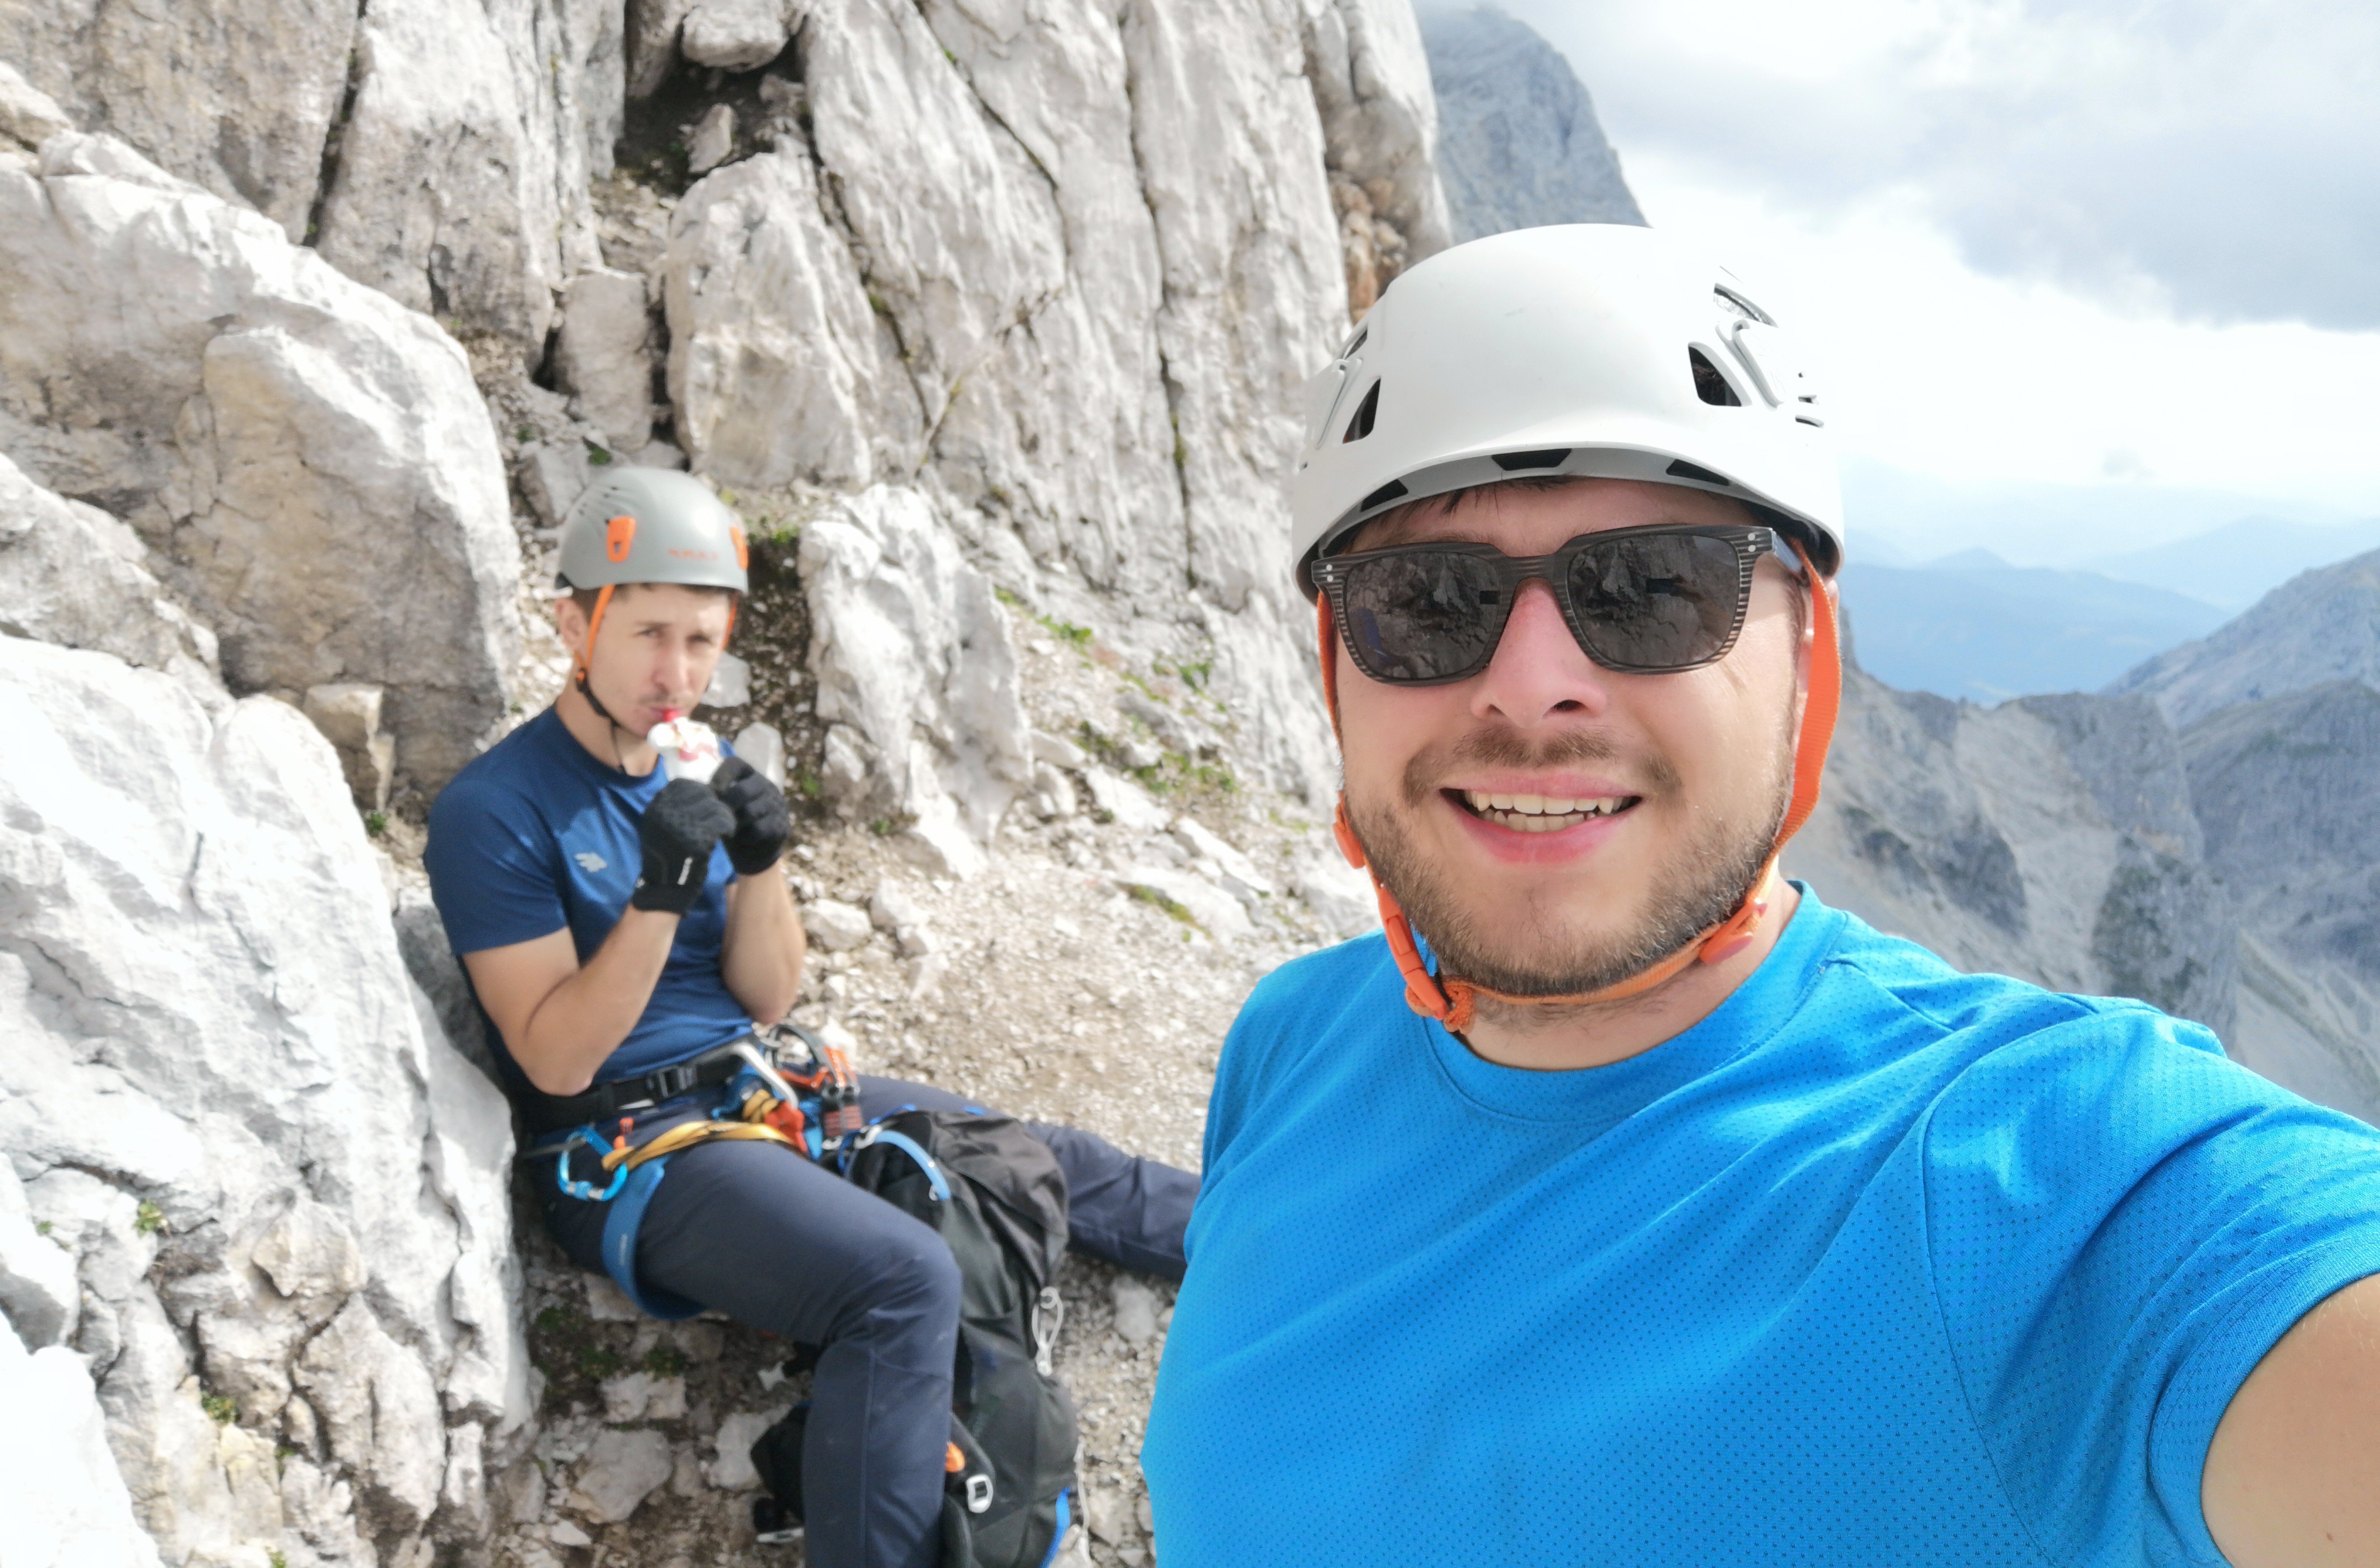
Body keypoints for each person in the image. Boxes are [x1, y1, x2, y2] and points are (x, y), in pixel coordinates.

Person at [1141, 224, 2380, 1566]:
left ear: (1808, 658)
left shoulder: (2044, 1181)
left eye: (1653, 589)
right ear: (1340, 668)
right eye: (1426, 602)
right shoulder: (1290, 1049)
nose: (1530, 683)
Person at [423, 468, 1195, 1568]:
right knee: (902, 1280)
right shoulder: (495, 810)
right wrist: (657, 895)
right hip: (626, 1151)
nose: (675, 673)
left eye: (701, 641)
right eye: (648, 635)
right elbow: (555, 1057)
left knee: (1033, 1151)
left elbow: (768, 996)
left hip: (753, 1085)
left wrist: (763, 861)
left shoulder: (700, 765)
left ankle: (1279, 1242)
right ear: (571, 623)